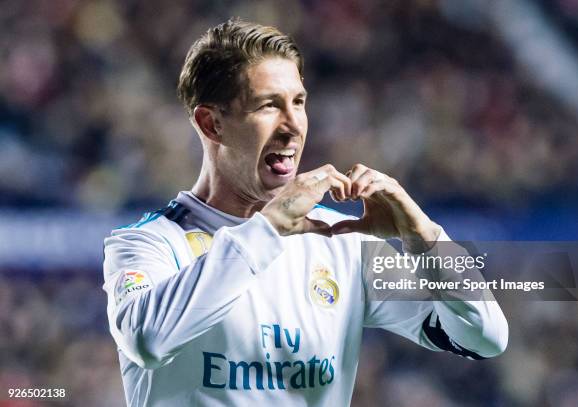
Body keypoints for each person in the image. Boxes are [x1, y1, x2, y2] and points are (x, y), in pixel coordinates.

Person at [103, 18, 508, 406]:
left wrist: (423, 238)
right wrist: (270, 227)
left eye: (298, 102)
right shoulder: (146, 243)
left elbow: (485, 337)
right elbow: (147, 340)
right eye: (268, 106)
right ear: (211, 124)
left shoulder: (342, 244)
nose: (293, 124)